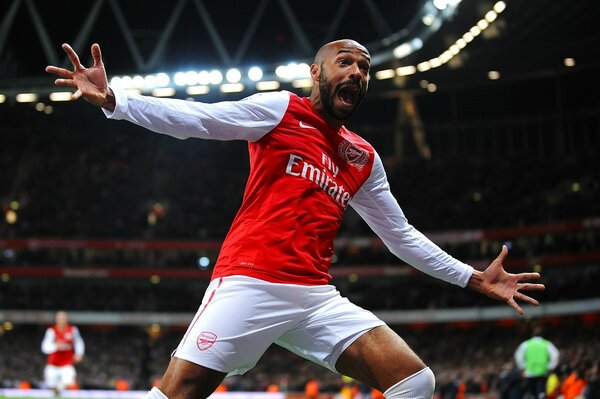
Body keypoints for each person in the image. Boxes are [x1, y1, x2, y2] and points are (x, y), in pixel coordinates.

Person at [46, 39, 545, 399]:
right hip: (250, 281)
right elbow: (199, 119)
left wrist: (473, 277)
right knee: (178, 395)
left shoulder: (363, 157)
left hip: (314, 296)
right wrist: (117, 101)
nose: (355, 72)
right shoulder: (281, 112)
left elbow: (400, 236)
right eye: (343, 62)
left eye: (364, 68)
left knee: (416, 382)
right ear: (316, 72)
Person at [41, 310, 85, 392]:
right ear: (56, 319)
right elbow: (44, 347)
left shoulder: (72, 330)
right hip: (53, 364)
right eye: (60, 318)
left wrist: (79, 353)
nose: (62, 320)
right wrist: (55, 346)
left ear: (67, 319)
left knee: (69, 382)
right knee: (51, 387)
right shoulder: (51, 331)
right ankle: (56, 391)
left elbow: (79, 342)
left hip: (67, 364)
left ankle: (59, 389)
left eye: (64, 318)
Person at [514, 325, 559, 399]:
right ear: (542, 335)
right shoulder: (546, 344)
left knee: (532, 393)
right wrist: (551, 367)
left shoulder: (526, 344)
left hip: (530, 373)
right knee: (541, 392)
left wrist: (522, 368)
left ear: (532, 335)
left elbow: (518, 355)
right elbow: (555, 355)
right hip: (543, 372)